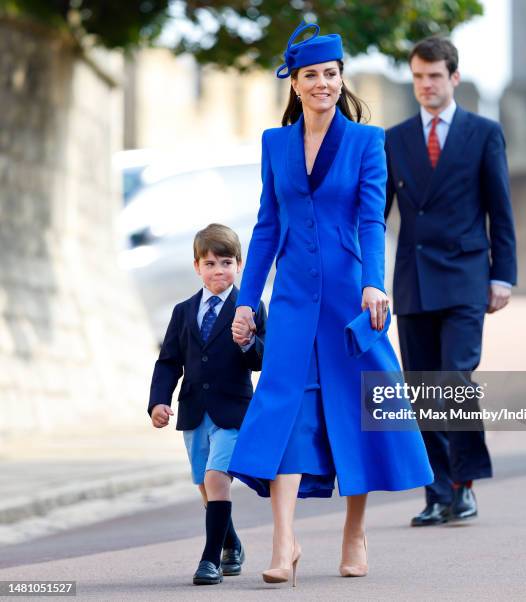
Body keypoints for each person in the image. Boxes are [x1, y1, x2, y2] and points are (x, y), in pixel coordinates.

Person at [229, 22, 433, 586]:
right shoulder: (275, 143)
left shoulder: (368, 143)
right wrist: (248, 301)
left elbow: (372, 219)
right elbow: (268, 226)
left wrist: (374, 281)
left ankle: (355, 531)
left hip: (352, 298)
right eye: (311, 75)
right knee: (284, 410)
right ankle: (283, 543)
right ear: (294, 84)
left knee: (357, 409)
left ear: (342, 80)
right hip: (293, 298)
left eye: (331, 74)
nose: (322, 83)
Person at [384, 36, 517, 527]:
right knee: (421, 388)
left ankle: (464, 484)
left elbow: (500, 210)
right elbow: (377, 218)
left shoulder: (483, 132)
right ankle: (436, 492)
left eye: (434, 76)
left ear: (454, 78)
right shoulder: (394, 139)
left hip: (466, 277)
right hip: (413, 280)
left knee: (454, 380)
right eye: (418, 76)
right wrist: (366, 280)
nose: (426, 85)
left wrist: (503, 274)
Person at [147, 224, 266, 585]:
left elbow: (263, 358)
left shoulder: (250, 306)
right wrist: (158, 402)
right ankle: (232, 545)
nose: (218, 271)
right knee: (204, 484)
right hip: (194, 411)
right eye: (210, 263)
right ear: (197, 266)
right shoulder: (183, 312)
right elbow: (168, 361)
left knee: (217, 479)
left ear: (240, 264)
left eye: (226, 262)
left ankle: (210, 560)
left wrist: (248, 343)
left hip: (232, 411)